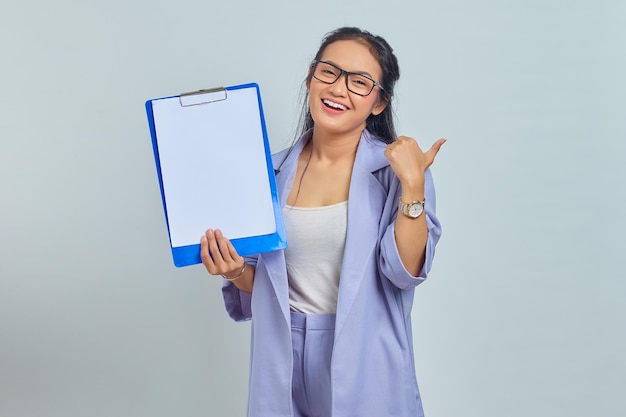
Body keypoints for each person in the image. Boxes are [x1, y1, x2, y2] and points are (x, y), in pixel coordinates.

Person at [200, 26, 445, 417]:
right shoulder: (269, 172)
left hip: (365, 357)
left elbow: (404, 271)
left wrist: (413, 187)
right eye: (329, 72)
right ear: (311, 77)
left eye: (359, 82)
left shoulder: (396, 172)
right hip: (281, 354)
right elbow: (268, 287)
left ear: (378, 103)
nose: (338, 89)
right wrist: (233, 272)